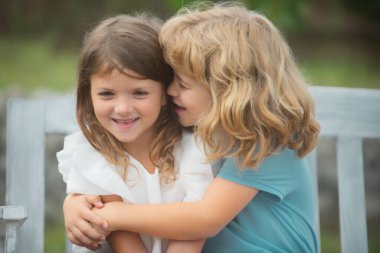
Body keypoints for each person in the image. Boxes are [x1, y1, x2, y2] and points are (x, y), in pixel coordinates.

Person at [63, 2, 321, 252]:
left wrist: (113, 214)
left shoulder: (265, 141)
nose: (171, 90)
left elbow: (204, 218)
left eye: (183, 84)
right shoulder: (203, 135)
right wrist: (75, 202)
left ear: (226, 91)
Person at [57, 13, 213, 253]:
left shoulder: (194, 150)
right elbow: (127, 246)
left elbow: (192, 232)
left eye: (139, 93)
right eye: (107, 94)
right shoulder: (91, 156)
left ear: (165, 92)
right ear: (88, 94)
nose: (122, 109)